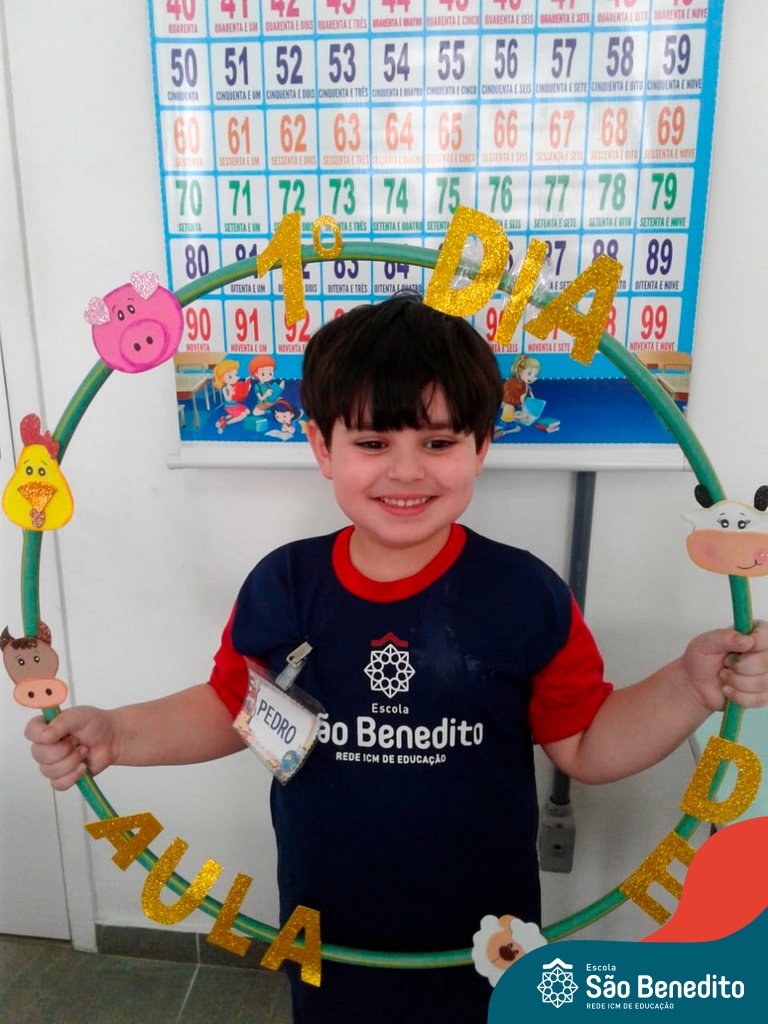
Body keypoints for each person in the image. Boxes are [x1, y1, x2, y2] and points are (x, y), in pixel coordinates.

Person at [25, 294, 768, 1024]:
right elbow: (232, 709)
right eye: (374, 443)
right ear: (323, 447)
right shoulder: (287, 586)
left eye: (438, 443)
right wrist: (117, 734)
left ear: (482, 445)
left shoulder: (525, 594)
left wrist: (688, 685)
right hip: (329, 925)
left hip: (486, 937)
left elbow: (588, 742)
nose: (407, 471)